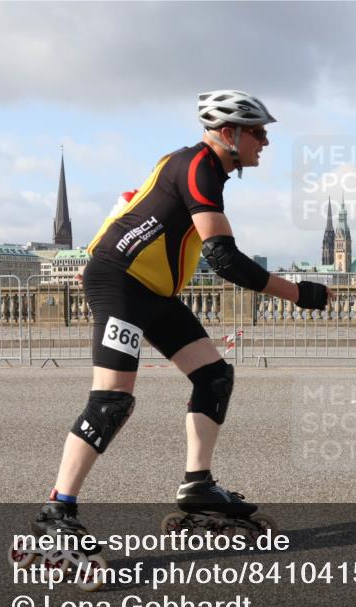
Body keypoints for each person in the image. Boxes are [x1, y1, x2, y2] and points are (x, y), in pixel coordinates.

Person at [32, 90, 332, 544]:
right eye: (259, 131)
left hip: (152, 290)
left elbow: (130, 200)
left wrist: (92, 250)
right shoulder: (198, 167)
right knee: (111, 401)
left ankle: (198, 487)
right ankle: (57, 509)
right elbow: (225, 260)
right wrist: (297, 293)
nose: (266, 142)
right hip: (122, 285)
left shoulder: (198, 168)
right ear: (229, 134)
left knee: (213, 377)